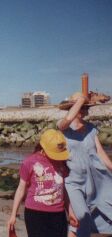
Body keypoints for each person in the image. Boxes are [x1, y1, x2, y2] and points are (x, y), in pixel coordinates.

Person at [57, 93, 112, 237]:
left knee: (79, 223)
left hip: (96, 179)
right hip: (74, 181)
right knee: (83, 217)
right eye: (80, 108)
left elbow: (100, 153)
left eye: (85, 108)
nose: (83, 111)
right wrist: (81, 100)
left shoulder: (91, 128)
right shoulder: (63, 127)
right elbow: (67, 120)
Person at [7, 129, 76, 237]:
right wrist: (13, 215)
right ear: (44, 148)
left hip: (58, 214)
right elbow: (21, 189)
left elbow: (63, 191)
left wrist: (70, 212)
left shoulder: (62, 163)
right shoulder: (30, 162)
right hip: (35, 214)